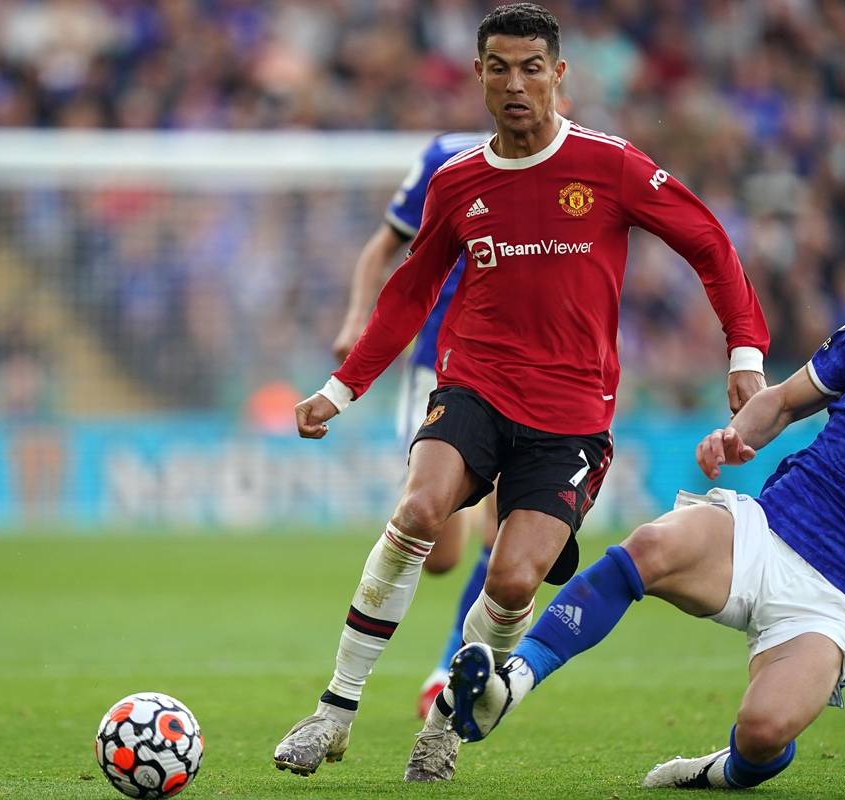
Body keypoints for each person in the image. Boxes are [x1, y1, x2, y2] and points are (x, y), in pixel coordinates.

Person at [275, 2, 769, 784]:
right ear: (477, 75)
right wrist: (341, 389)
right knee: (416, 514)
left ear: (559, 75)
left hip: (572, 416)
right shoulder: (459, 179)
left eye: (531, 68)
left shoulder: (610, 165)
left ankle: (443, 725)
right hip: (474, 384)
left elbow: (707, 241)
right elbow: (408, 292)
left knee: (510, 581)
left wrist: (744, 346)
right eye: (499, 68)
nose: (515, 84)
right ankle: (334, 710)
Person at [449, 228, 845, 791]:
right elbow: (781, 401)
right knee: (649, 547)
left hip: (839, 601)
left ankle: (721, 772)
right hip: (768, 529)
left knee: (762, 731)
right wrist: (738, 436)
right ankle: (511, 685)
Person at [332, 128, 500, 719]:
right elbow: (382, 247)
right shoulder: (446, 156)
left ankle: (447, 670)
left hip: (517, 368)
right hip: (440, 365)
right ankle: (472, 493)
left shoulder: (576, 160)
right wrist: (358, 317)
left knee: (506, 526)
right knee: (442, 554)